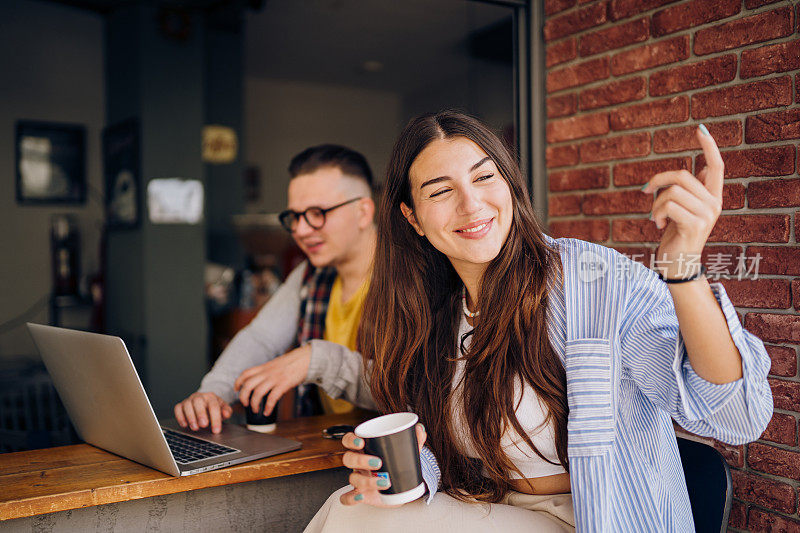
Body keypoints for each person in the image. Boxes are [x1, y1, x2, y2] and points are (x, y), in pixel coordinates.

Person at [304, 111, 773, 532]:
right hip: (494, 507)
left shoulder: (592, 281)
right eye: (441, 191)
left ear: (510, 184)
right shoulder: (432, 313)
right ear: (413, 218)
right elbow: (442, 451)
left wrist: (683, 267)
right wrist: (408, 478)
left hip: (593, 517)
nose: (471, 205)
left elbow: (737, 415)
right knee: (351, 507)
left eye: (485, 177)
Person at [174, 144, 379, 433]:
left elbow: (415, 392)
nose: (301, 230)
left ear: (363, 211)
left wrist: (316, 360)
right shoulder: (309, 275)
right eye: (295, 216)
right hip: (330, 448)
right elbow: (260, 339)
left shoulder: (412, 279)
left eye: (317, 213)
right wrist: (214, 392)